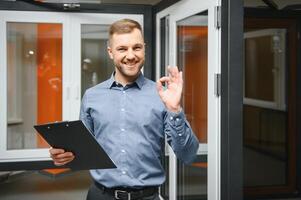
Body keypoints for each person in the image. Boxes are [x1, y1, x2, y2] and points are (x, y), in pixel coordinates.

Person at [49, 18, 199, 200]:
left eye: (136, 47)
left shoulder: (162, 96)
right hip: (100, 195)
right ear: (110, 52)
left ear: (144, 48)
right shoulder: (92, 96)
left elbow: (188, 155)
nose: (130, 55)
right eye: (122, 49)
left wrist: (175, 109)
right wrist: (62, 155)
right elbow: (81, 150)